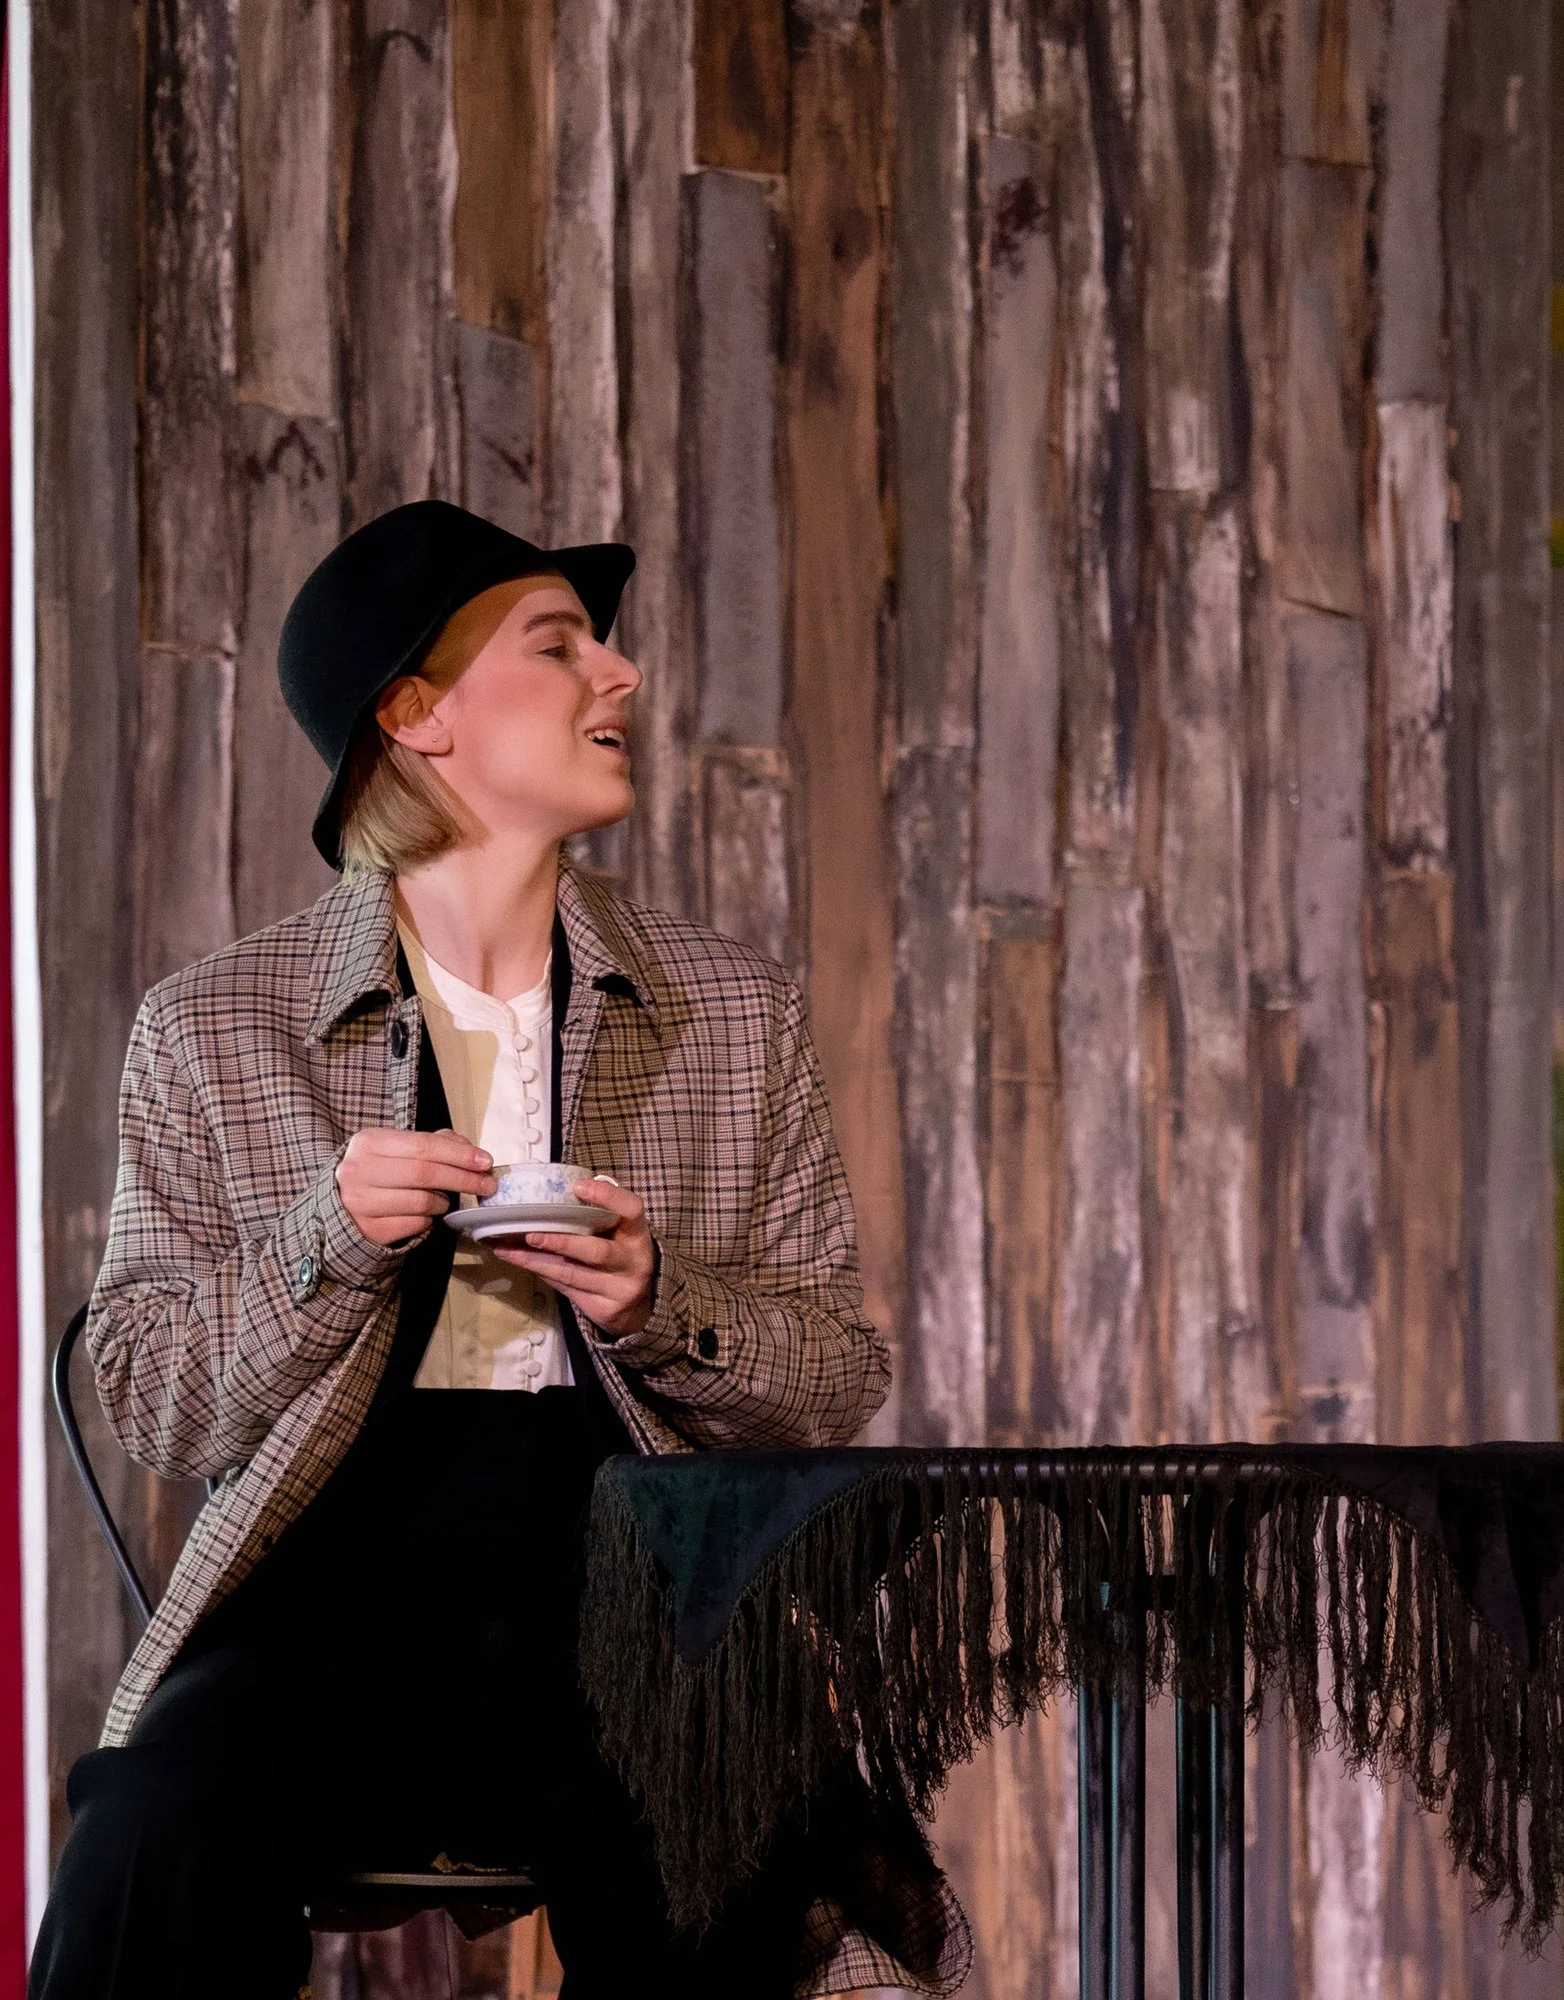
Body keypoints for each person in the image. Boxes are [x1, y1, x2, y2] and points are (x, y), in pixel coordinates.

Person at [30, 502, 956, 1998]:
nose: (620, 673)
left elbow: (834, 1379)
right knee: (147, 1832)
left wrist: (662, 1303)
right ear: (416, 715)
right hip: (320, 1592)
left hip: (628, 1606)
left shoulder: (732, 1012)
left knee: (734, 1861)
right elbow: (150, 1398)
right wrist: (325, 1237)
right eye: (558, 644)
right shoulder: (217, 1025)